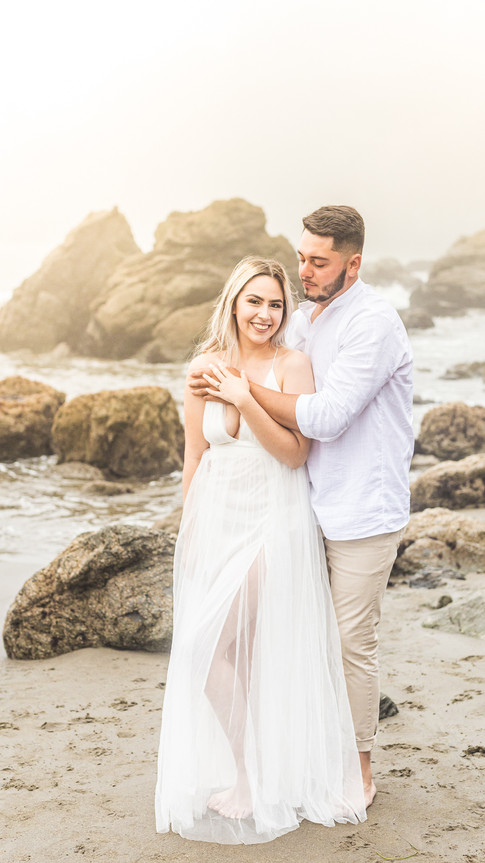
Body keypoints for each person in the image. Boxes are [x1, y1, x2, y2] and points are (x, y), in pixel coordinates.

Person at [189, 207, 414, 809]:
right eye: (302, 258)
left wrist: (240, 390)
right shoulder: (306, 320)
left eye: (319, 262)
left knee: (348, 642)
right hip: (304, 504)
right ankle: (276, 765)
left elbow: (326, 417)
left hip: (363, 507)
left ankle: (359, 771)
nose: (305, 272)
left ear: (353, 264)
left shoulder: (373, 322)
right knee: (292, 639)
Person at [155, 256, 366, 845]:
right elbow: (195, 455)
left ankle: (251, 778)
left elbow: (296, 454)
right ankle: (255, 770)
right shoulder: (203, 367)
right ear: (233, 303)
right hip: (216, 524)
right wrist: (189, 531)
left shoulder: (292, 365)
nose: (265, 314)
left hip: (272, 523)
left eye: (276, 304)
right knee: (232, 656)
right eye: (255, 301)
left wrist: (245, 397)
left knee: (209, 648)